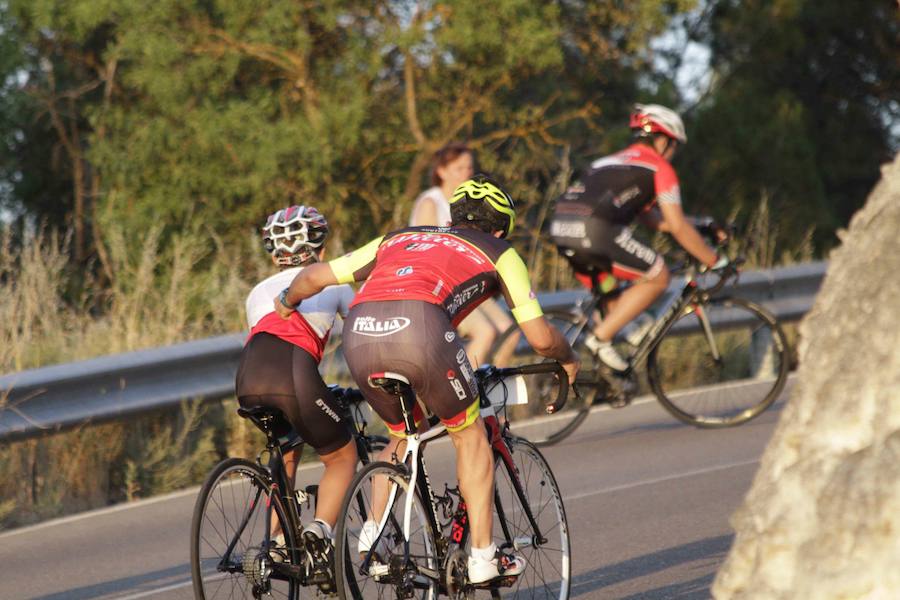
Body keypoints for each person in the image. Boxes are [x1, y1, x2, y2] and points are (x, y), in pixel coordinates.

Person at [274, 175, 579, 584]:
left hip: (361, 334)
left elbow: (312, 278)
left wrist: (286, 302)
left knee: (403, 434)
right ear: (502, 228)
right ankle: (484, 557)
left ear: (453, 216)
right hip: (422, 330)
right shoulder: (501, 252)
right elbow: (541, 338)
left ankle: (374, 540)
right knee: (469, 435)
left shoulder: (397, 237)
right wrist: (569, 358)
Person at [549, 103, 726, 372]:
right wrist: (715, 261)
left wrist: (701, 225)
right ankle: (600, 339)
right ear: (664, 140)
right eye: (674, 145)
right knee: (658, 275)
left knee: (614, 292)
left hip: (561, 228)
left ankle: (612, 373)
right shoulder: (659, 168)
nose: (673, 153)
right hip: (595, 230)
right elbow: (677, 226)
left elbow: (654, 219)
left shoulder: (609, 162)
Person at [236, 205, 359, 551]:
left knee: (286, 448)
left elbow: (266, 342)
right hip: (292, 375)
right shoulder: (330, 279)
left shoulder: (256, 292)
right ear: (319, 247)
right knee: (341, 456)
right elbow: (362, 333)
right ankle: (319, 531)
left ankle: (275, 543)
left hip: (247, 377)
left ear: (275, 254)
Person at [410, 142, 514, 367]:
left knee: (510, 332)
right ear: (441, 171)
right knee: (485, 333)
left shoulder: (468, 203)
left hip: (464, 282)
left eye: (469, 167)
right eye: (460, 168)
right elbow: (426, 248)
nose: (467, 173)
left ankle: (495, 390)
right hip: (437, 286)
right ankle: (466, 392)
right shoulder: (431, 202)